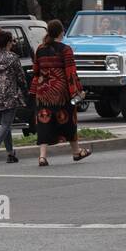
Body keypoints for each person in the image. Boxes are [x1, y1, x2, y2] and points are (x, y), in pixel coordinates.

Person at [30, 20, 89, 166]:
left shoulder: (40, 49)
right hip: (61, 93)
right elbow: (70, 73)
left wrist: (34, 90)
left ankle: (42, 157)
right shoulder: (66, 49)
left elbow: (36, 71)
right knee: (68, 121)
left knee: (44, 122)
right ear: (61, 32)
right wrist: (77, 91)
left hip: (43, 92)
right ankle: (76, 152)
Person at [0, 28, 27, 165]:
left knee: (5, 124)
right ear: (9, 42)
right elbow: (20, 77)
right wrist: (25, 88)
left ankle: (10, 153)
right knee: (6, 124)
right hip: (9, 94)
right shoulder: (13, 58)